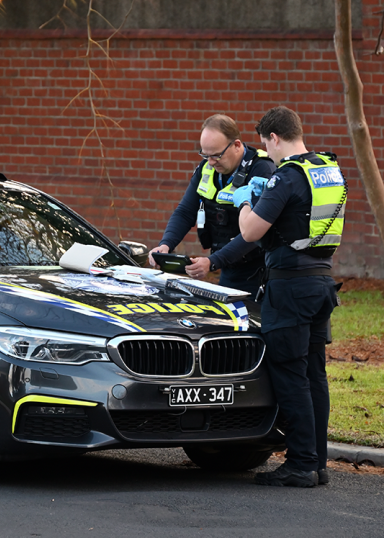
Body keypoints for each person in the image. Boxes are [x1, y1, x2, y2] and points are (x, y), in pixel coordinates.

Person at [233, 106, 347, 488]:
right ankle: (318, 463)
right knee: (315, 374)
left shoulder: (287, 176)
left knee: (291, 373)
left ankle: (300, 464)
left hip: (291, 287)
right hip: (321, 282)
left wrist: (245, 203)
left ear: (274, 138)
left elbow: (250, 232)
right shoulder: (327, 170)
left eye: (267, 146)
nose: (267, 153)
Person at [148, 114, 276, 298]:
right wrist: (166, 245)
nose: (210, 162)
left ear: (237, 145)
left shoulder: (262, 169)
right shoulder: (207, 168)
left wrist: (212, 262)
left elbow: (255, 232)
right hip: (229, 268)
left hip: (261, 272)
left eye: (216, 155)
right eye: (205, 155)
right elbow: (185, 212)